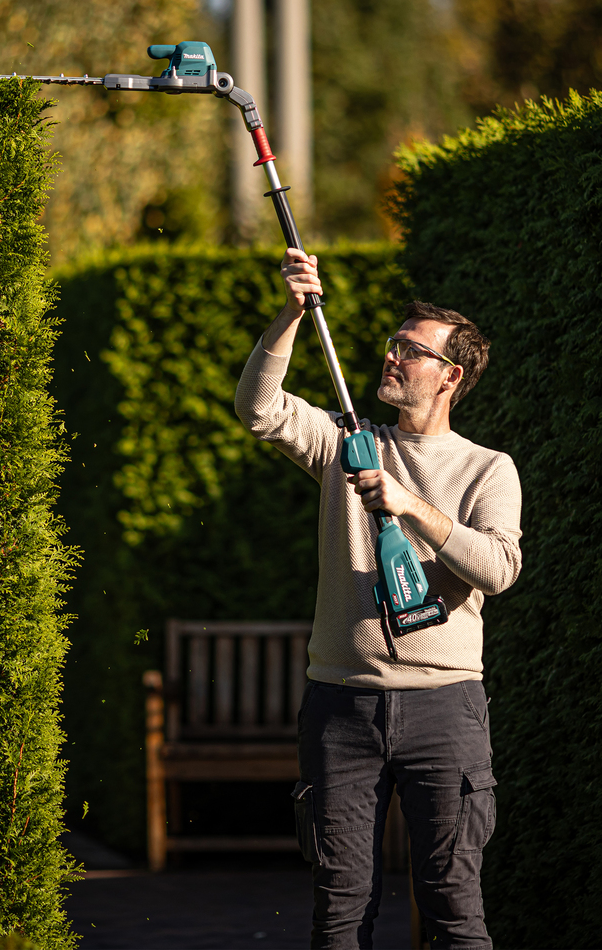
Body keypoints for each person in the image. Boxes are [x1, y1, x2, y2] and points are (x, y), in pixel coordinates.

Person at [234, 249, 523, 950]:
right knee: (339, 914)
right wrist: (291, 314)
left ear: (451, 375)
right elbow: (258, 409)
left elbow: (498, 568)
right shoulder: (345, 444)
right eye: (393, 343)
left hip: (445, 710)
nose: (392, 356)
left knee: (454, 911)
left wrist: (411, 506)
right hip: (341, 709)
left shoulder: (488, 468)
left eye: (411, 350)